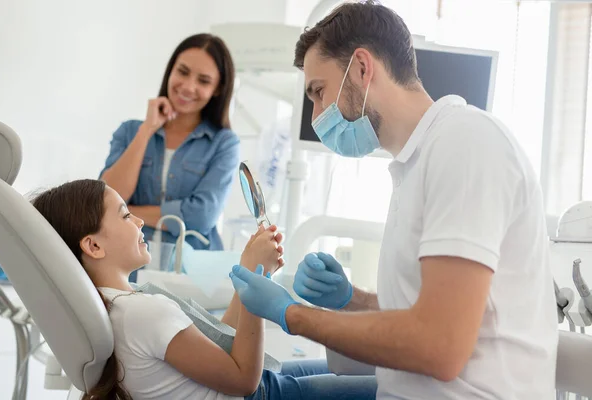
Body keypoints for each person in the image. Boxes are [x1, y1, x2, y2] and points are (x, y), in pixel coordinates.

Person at [228, 1, 558, 399]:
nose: (315, 116)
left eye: (318, 92)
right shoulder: (416, 163)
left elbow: (440, 344)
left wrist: (291, 314)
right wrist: (354, 300)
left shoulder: (465, 144)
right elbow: (431, 308)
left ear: (363, 68)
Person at [32, 179, 377, 400]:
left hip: (265, 383)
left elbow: (220, 339)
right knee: (394, 389)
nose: (138, 221)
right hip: (261, 393)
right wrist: (255, 288)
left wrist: (251, 273)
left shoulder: (121, 306)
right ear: (93, 246)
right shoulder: (143, 312)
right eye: (125, 216)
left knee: (360, 369)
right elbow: (244, 381)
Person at [99, 33, 239, 267]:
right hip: (128, 270)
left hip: (191, 276)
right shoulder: (130, 131)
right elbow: (106, 199)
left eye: (203, 81)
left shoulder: (224, 143)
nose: (188, 86)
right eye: (182, 72)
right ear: (170, 70)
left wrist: (126, 212)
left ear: (217, 89)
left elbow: (201, 217)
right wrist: (147, 130)